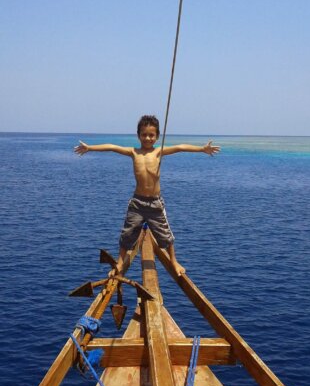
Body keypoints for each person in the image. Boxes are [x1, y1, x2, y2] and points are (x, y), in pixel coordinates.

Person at [74, 115, 220, 276]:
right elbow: (112, 147)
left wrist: (202, 149)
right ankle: (121, 261)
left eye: (151, 135)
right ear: (138, 135)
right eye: (144, 134)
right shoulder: (133, 152)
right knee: (127, 233)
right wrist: (90, 148)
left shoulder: (158, 152)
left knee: (165, 235)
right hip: (137, 203)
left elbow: (180, 147)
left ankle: (173, 260)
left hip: (155, 203)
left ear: (157, 137)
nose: (148, 138)